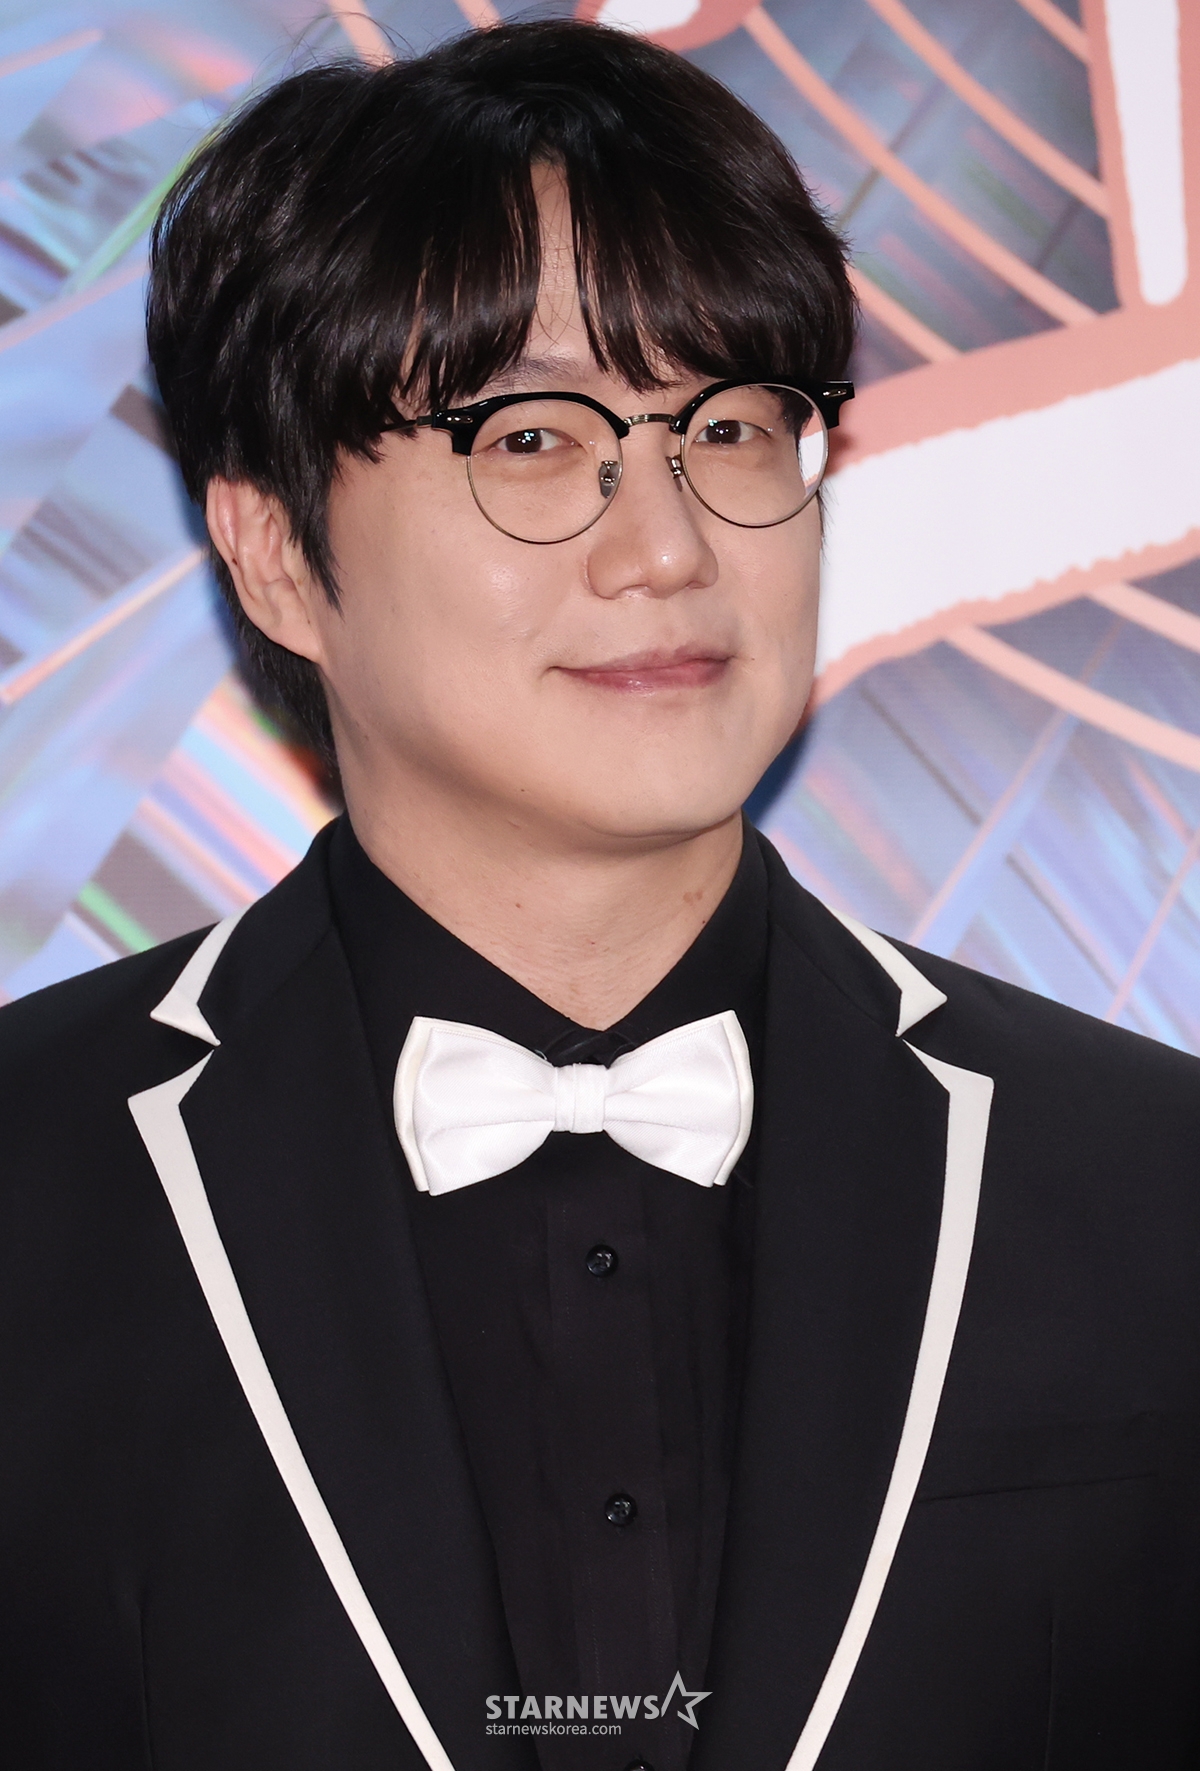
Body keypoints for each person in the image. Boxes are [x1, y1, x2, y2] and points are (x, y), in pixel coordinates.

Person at [1, 18, 1197, 1771]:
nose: (669, 547)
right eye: (534, 440)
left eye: (734, 425)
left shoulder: (1153, 1189)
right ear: (275, 552)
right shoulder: (31, 1183)